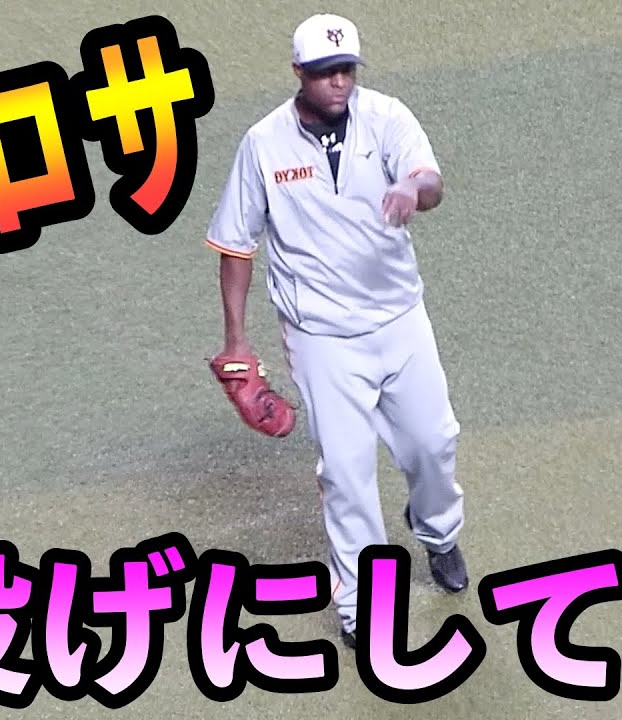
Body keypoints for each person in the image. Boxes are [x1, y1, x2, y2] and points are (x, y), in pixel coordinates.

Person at [204, 12, 467, 648]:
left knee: (433, 444)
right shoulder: (263, 144)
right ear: (299, 72)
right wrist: (237, 341)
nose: (339, 82)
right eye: (325, 73)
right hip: (320, 335)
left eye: (347, 69)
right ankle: (359, 603)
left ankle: (438, 534)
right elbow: (236, 245)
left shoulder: (387, 117)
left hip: (399, 317)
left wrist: (412, 188)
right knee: (346, 473)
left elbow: (430, 181)